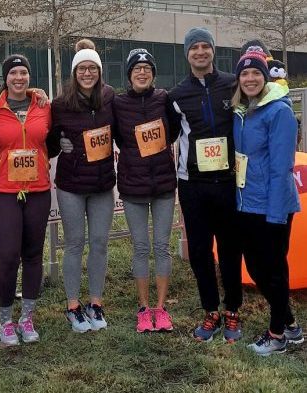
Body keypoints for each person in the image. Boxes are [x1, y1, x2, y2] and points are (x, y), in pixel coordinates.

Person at [168, 27, 243, 342]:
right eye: (194, 47)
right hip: (193, 185)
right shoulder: (176, 95)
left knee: (230, 249)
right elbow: (169, 136)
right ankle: (211, 310)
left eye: (205, 46)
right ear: (187, 54)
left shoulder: (232, 84)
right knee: (199, 251)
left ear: (213, 50)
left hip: (228, 182)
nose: (200, 52)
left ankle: (233, 311)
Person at [231, 47, 303, 356]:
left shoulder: (280, 111)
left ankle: (276, 335)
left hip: (273, 205)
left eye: (255, 73)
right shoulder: (241, 110)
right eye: (244, 74)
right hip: (246, 202)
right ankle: (291, 325)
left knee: (272, 269)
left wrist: (275, 214)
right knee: (257, 267)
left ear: (265, 76)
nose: (249, 78)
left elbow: (281, 167)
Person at [0, 54, 52, 347]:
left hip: (38, 189)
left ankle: (27, 318)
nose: (19, 78)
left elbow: (56, 136)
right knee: (9, 257)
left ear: (29, 77)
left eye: (24, 73)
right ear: (6, 78)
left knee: (34, 254)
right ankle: (6, 321)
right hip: (4, 191)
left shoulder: (43, 106)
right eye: (14, 74)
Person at [48, 39, 115, 333]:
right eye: (82, 69)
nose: (87, 73)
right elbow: (48, 143)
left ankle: (96, 302)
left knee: (99, 243)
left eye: (92, 69)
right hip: (71, 185)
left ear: (99, 72)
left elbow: (124, 129)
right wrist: (58, 143)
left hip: (102, 183)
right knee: (75, 244)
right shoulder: (61, 103)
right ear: (74, 73)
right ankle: (73, 305)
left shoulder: (110, 97)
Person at [113, 48, 178, 333]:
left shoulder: (165, 99)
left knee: (162, 247)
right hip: (133, 187)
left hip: (163, 185)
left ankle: (161, 308)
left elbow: (174, 131)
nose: (142, 72)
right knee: (141, 248)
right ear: (129, 75)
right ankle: (143, 308)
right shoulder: (117, 103)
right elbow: (115, 135)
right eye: (136, 68)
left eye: (147, 68)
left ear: (153, 73)